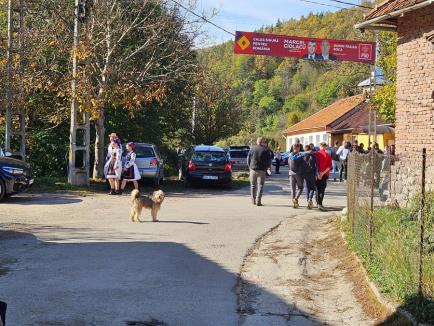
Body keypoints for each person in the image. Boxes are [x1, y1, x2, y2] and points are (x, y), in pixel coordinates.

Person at [247, 137, 272, 206]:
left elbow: (248, 159)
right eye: (264, 142)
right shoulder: (266, 150)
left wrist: (250, 167)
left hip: (253, 170)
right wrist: (268, 168)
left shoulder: (252, 149)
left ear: (257, 142)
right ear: (262, 142)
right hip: (262, 171)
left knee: (253, 185)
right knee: (260, 186)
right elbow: (269, 161)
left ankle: (253, 200)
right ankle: (258, 201)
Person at [315, 143, 332, 210]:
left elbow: (314, 165)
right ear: (325, 147)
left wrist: (318, 173)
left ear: (320, 146)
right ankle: (320, 204)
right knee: (322, 189)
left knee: (317, 189)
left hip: (317, 174)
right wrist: (322, 173)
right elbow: (329, 166)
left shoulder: (316, 154)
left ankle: (317, 203)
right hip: (324, 174)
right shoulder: (327, 155)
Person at [289, 143, 306, 208]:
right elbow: (303, 164)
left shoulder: (290, 154)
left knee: (292, 189)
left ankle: (294, 203)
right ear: (298, 148)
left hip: (291, 173)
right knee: (300, 188)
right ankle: (295, 198)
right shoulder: (300, 155)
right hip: (298, 174)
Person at [302, 145, 318, 209]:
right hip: (312, 174)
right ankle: (310, 199)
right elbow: (316, 166)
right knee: (312, 188)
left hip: (305, 174)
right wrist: (316, 174)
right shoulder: (314, 156)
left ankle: (308, 200)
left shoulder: (303, 156)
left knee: (306, 188)